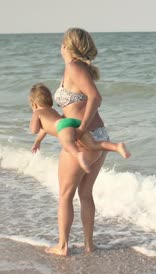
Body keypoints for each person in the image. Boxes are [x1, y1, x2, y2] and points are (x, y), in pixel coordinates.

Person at [46, 27, 115, 256]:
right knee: (85, 193)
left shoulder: (74, 66)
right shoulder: (78, 68)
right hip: (99, 136)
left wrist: (82, 128)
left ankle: (62, 246)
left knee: (66, 194)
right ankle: (88, 245)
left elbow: (96, 97)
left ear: (66, 45)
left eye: (62, 42)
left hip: (85, 138)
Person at [28, 83, 130, 174]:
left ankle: (78, 156)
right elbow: (46, 128)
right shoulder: (52, 111)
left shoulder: (37, 112)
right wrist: (38, 141)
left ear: (34, 104)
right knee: (93, 145)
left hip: (63, 126)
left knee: (68, 145)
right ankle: (117, 147)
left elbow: (34, 130)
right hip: (73, 122)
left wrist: (34, 119)